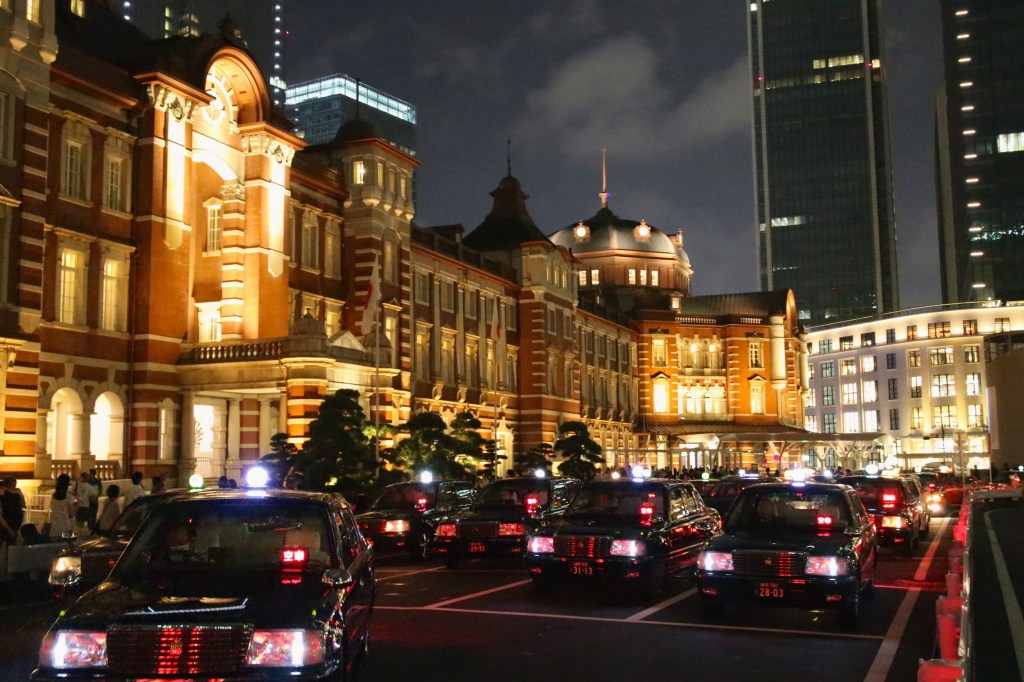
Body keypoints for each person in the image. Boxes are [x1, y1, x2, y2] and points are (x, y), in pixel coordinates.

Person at [49, 473, 78, 539]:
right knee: (67, 543)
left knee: (56, 542)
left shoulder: (54, 496)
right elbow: (71, 513)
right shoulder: (68, 496)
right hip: (66, 524)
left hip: (55, 523)